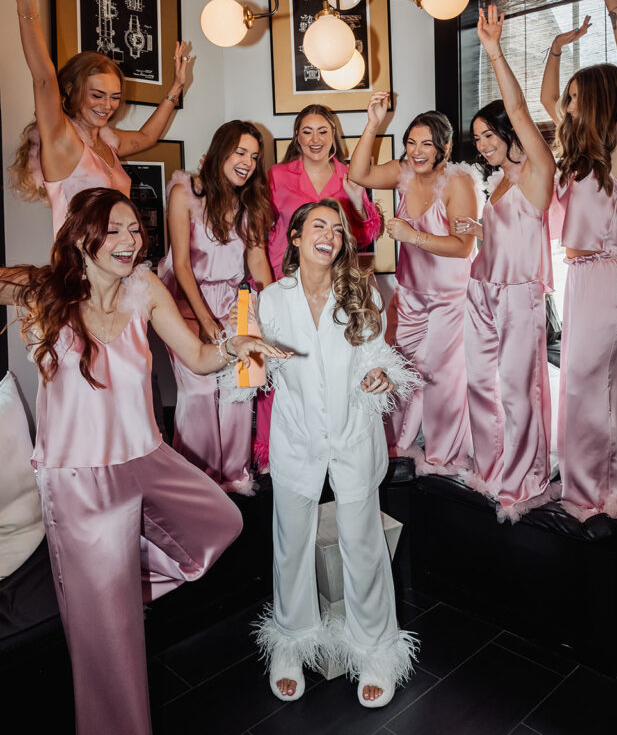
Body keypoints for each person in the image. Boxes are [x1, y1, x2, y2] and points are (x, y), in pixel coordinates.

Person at [0, 187, 288, 735]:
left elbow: (201, 359)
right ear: (83, 236)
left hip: (148, 459)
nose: (129, 241)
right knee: (112, 650)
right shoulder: (44, 290)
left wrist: (237, 345)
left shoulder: (146, 288)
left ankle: (107, 592)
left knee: (222, 522)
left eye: (135, 230)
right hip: (79, 483)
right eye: (114, 230)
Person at [253, 199, 418, 708]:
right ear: (296, 237)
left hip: (352, 435)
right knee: (290, 544)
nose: (328, 234)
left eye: (337, 229)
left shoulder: (361, 291)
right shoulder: (269, 300)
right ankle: (290, 640)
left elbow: (378, 359)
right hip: (297, 438)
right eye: (316, 225)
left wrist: (378, 377)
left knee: (363, 545)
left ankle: (375, 649)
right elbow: (253, 372)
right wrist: (249, 360)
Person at [540, 0, 617, 521]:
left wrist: (611, 2)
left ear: (600, 101)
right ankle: (596, 494)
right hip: (583, 277)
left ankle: (594, 498)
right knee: (587, 389)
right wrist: (558, 47)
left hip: (612, 275)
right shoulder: (578, 156)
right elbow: (543, 98)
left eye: (579, 99)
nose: (568, 106)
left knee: (589, 384)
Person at [1, 0, 190, 234]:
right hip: (82, 272)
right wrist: (26, 1)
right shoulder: (62, 139)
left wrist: (176, 88)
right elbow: (44, 79)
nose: (107, 106)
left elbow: (146, 138)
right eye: (98, 95)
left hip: (119, 265)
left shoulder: (106, 142)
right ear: (71, 89)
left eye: (115, 97)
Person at [456, 5, 558, 522]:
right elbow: (504, 230)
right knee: (479, 383)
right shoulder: (493, 182)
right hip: (481, 291)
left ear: (506, 130)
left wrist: (494, 52)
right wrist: (477, 232)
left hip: (519, 294)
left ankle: (525, 480)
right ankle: (491, 467)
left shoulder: (537, 169)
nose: (483, 145)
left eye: (488, 135)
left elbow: (520, 110)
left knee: (519, 390)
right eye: (477, 140)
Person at [349, 99, 481, 475]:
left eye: (426, 144)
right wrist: (373, 122)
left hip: (449, 298)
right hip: (410, 295)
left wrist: (413, 236)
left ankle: (442, 456)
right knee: (401, 371)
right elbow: (359, 173)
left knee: (441, 378)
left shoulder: (459, 183)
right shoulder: (403, 172)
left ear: (444, 147)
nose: (417, 151)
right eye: (411, 142)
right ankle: (400, 446)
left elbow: (464, 247)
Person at [254, 104, 381, 469]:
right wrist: (266, 289)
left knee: (329, 371)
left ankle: (333, 451)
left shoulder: (348, 174)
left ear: (334, 136)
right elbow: (258, 233)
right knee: (279, 371)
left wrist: (358, 201)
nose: (315, 139)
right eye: (307, 131)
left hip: (333, 284)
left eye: (322, 131)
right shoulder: (276, 176)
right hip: (284, 281)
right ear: (296, 137)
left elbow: (366, 232)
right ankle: (270, 452)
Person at [157, 121, 275, 493]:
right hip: (187, 304)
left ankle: (235, 478)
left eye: (254, 157)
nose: (247, 162)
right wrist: (205, 319)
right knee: (200, 393)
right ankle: (199, 482)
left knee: (241, 392)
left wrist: (276, 308)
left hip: (237, 303)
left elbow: (257, 264)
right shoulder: (185, 192)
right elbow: (180, 265)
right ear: (220, 150)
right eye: (240, 152)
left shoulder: (252, 202)